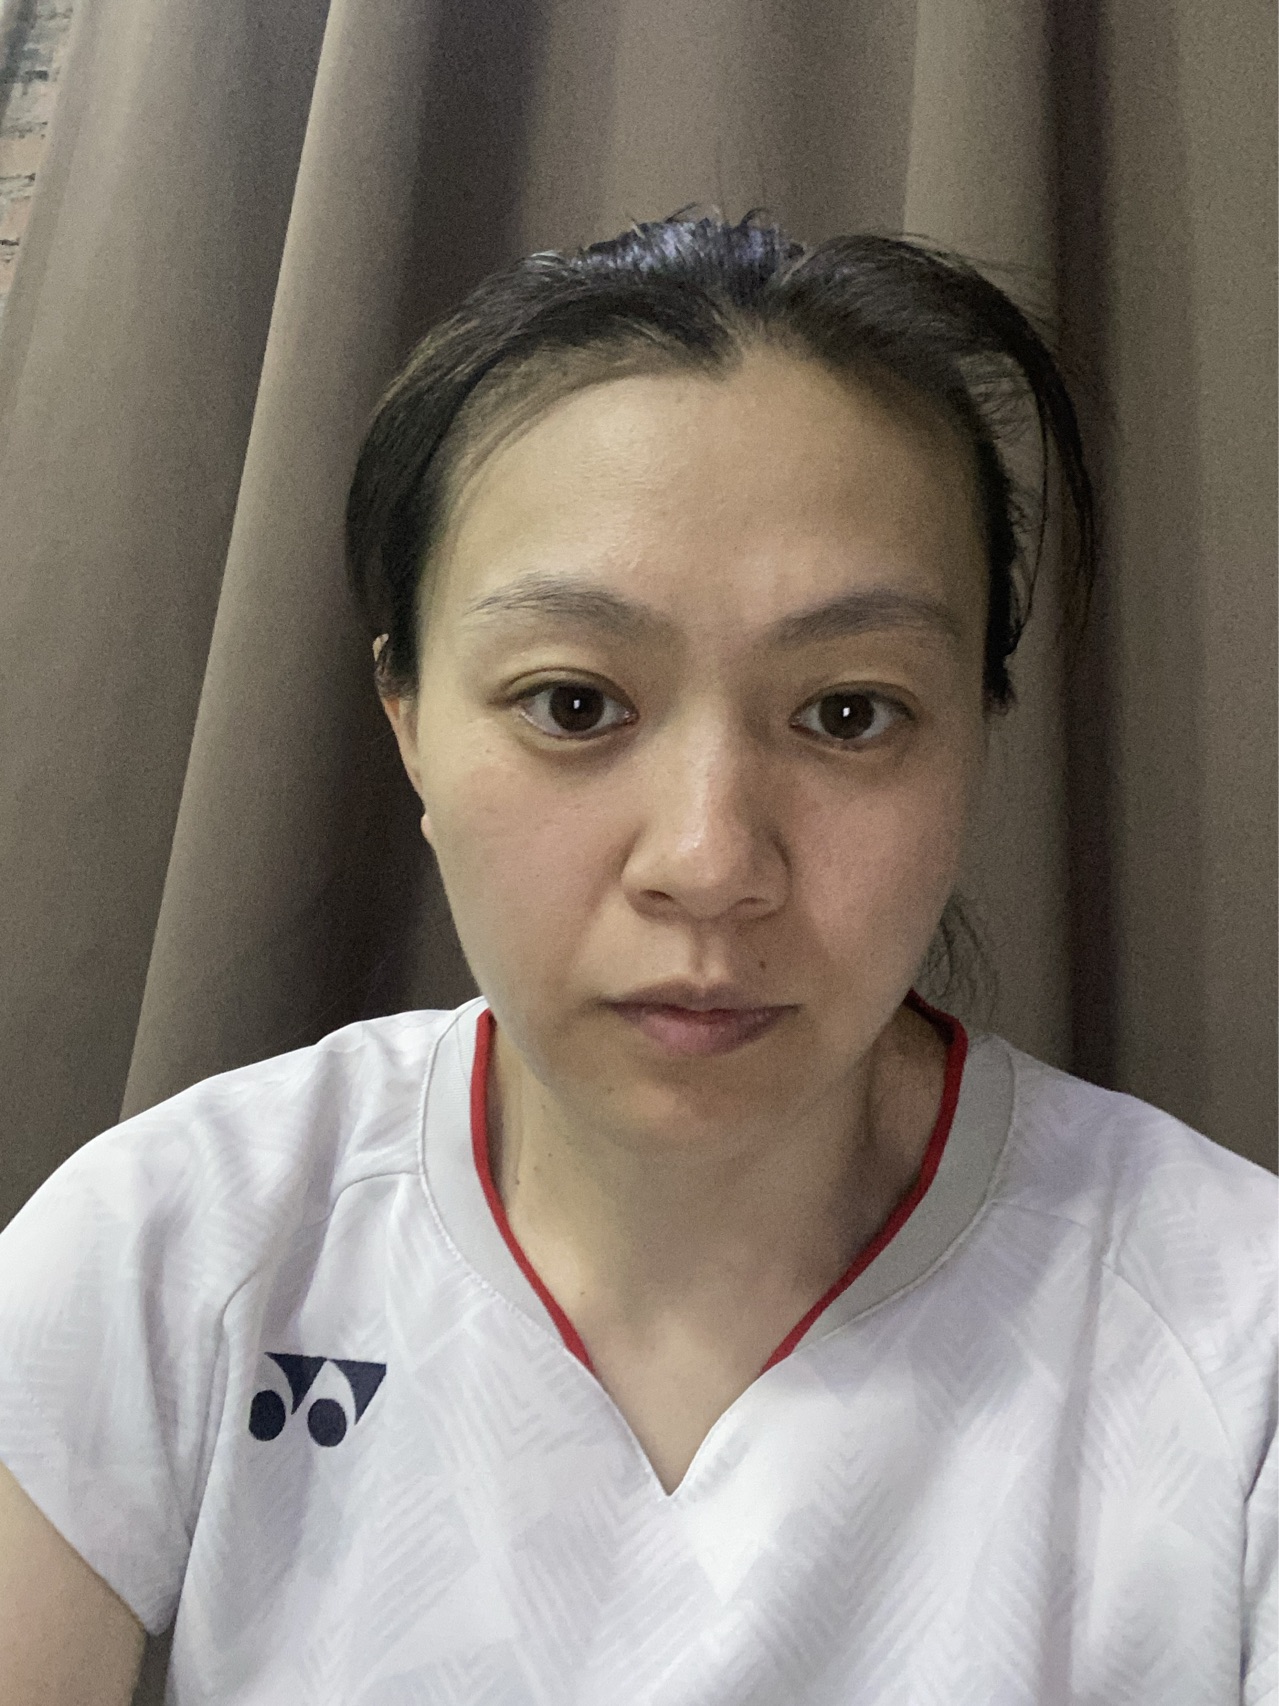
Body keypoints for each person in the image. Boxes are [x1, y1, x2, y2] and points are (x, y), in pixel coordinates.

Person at [0, 211, 1272, 1706]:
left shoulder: (1231, 1335)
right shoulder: (184, 1246)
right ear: (409, 721)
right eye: (574, 704)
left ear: (974, 744)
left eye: (850, 714)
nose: (710, 862)